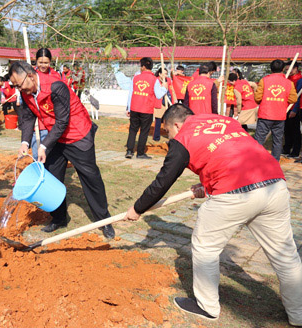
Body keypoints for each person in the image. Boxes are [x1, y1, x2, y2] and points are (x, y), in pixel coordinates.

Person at [124, 104, 302, 326]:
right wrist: (207, 184)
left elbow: (163, 182)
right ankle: (298, 315)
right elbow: (232, 153)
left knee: (205, 247)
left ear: (176, 124)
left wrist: (137, 209)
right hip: (274, 184)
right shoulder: (224, 121)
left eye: (169, 131)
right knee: (286, 256)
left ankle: (207, 306)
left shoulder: (183, 140)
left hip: (235, 194)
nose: (170, 138)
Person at [10, 61, 115, 238]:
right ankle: (58, 218)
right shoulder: (26, 92)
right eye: (15, 86)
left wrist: (43, 145)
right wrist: (25, 143)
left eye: (19, 85)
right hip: (55, 137)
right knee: (51, 176)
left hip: (77, 134)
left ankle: (104, 220)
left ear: (30, 75)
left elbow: (62, 121)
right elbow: (27, 119)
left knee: (90, 177)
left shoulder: (55, 86)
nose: (19, 89)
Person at [254, 59, 298, 160]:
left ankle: (255, 161)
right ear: (283, 69)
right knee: (277, 141)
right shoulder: (288, 83)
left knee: (259, 140)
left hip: (265, 115)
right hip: (280, 116)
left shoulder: (264, 80)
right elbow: (293, 99)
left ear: (271, 68)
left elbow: (257, 98)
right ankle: (275, 163)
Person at [125, 57, 168, 159]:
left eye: (141, 66)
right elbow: (158, 95)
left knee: (133, 130)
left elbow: (131, 93)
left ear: (143, 67)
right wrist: (164, 88)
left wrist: (128, 107)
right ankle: (140, 153)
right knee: (144, 131)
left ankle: (129, 151)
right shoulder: (154, 80)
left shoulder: (136, 78)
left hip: (134, 108)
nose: (140, 68)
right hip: (146, 110)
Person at [284, 62, 302, 158]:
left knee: (295, 130)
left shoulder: (299, 79)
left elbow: (298, 97)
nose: (288, 71)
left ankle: (295, 151)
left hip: (294, 108)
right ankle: (287, 148)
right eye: (286, 69)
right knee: (287, 129)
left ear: (295, 69)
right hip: (285, 107)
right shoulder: (287, 78)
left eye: (289, 69)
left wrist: (294, 110)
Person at [152, 68, 175, 142]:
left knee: (169, 120)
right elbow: (157, 92)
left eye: (166, 73)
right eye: (164, 73)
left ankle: (170, 135)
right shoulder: (156, 80)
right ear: (160, 74)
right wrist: (162, 86)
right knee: (158, 120)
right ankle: (156, 137)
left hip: (168, 102)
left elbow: (171, 90)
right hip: (159, 102)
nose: (165, 75)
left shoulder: (168, 80)